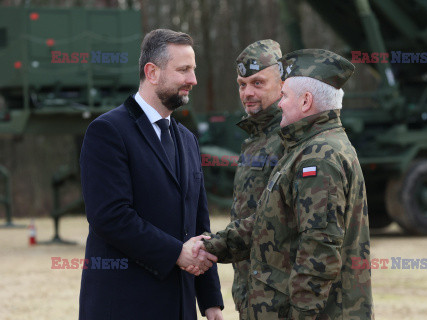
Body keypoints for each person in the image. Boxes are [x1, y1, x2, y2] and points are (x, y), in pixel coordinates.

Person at [190, 49, 373, 319]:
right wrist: (210, 247)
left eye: (285, 96)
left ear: (306, 101)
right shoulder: (305, 148)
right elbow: (268, 220)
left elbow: (318, 252)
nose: (280, 104)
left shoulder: (320, 157)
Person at [79, 29, 223, 320]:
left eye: (193, 70)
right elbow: (110, 216)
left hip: (180, 308)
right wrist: (175, 253)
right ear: (152, 72)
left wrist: (210, 301)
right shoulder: (107, 132)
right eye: (183, 70)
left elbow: (199, 224)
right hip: (124, 307)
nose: (192, 80)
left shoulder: (187, 139)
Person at [230, 39, 285, 319]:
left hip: (281, 297)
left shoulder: (290, 137)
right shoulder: (256, 138)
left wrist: (214, 247)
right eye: (242, 84)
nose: (247, 93)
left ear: (282, 82)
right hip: (253, 293)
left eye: (258, 83)